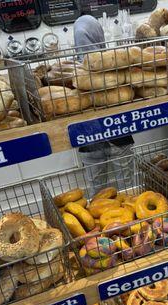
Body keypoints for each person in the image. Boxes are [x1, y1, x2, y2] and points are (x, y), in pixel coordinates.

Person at [73, 15, 134, 193]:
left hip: (88, 138)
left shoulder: (75, 74)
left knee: (97, 191)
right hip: (118, 134)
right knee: (129, 187)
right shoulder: (115, 67)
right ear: (98, 35)